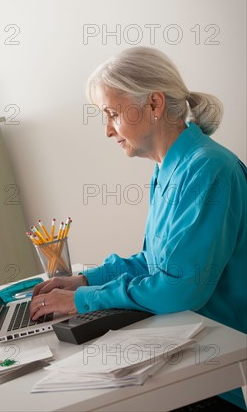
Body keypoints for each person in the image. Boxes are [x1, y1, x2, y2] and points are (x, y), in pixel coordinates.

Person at [29, 46, 247, 410]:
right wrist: (87, 281)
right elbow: (153, 262)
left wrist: (83, 301)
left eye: (112, 114)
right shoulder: (167, 171)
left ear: (155, 104)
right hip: (183, 348)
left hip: (216, 372)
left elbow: (179, 289)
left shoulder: (209, 170)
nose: (107, 130)